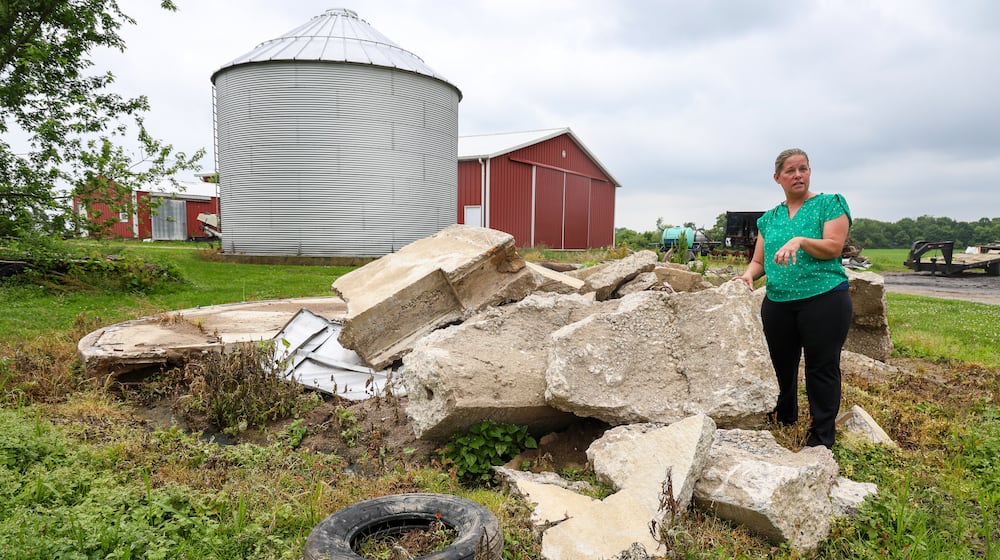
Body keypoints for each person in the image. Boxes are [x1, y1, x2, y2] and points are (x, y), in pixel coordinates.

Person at [737, 148, 853, 448]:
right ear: (778, 178)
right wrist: (749, 274)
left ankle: (821, 436)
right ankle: (784, 418)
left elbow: (833, 247)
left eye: (803, 168)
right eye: (790, 170)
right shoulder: (769, 219)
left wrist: (800, 240)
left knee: (821, 367)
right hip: (778, 302)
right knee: (780, 365)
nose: (798, 175)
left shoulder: (829, 204)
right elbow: (760, 261)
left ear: (810, 172)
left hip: (824, 298)